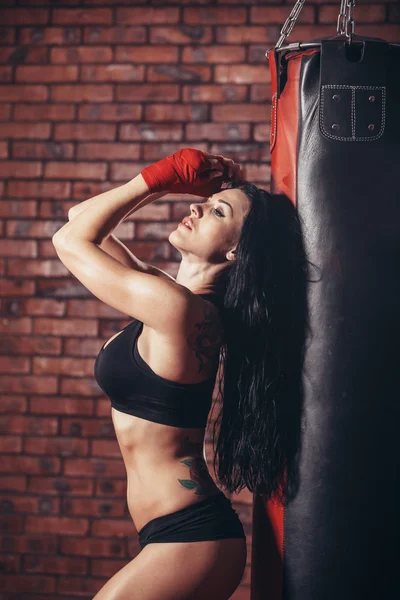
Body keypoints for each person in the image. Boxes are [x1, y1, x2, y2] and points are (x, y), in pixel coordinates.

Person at [54, 149, 309, 599]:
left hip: (189, 539)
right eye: (204, 201)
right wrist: (174, 185)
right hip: (179, 535)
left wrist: (158, 180)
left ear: (236, 250)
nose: (196, 207)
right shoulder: (173, 299)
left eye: (216, 210)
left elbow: (69, 240)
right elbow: (80, 217)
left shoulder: (177, 310)